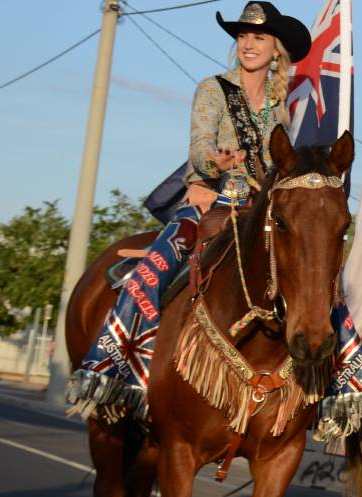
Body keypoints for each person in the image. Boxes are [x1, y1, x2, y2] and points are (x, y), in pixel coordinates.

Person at [71, 2, 311, 417]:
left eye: (258, 38)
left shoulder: (279, 109)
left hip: (258, 212)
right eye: (242, 37)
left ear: (276, 51)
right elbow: (199, 145)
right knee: (157, 266)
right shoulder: (214, 88)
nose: (248, 45)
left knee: (313, 270)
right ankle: (110, 364)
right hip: (210, 202)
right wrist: (213, 163)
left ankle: (338, 381)